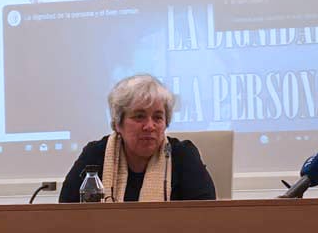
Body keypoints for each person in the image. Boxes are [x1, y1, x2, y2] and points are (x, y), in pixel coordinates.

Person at [59, 74, 215, 202]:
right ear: (118, 123)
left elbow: (206, 215)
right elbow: (66, 211)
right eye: (139, 116)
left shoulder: (182, 155)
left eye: (158, 117)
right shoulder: (96, 154)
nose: (150, 126)